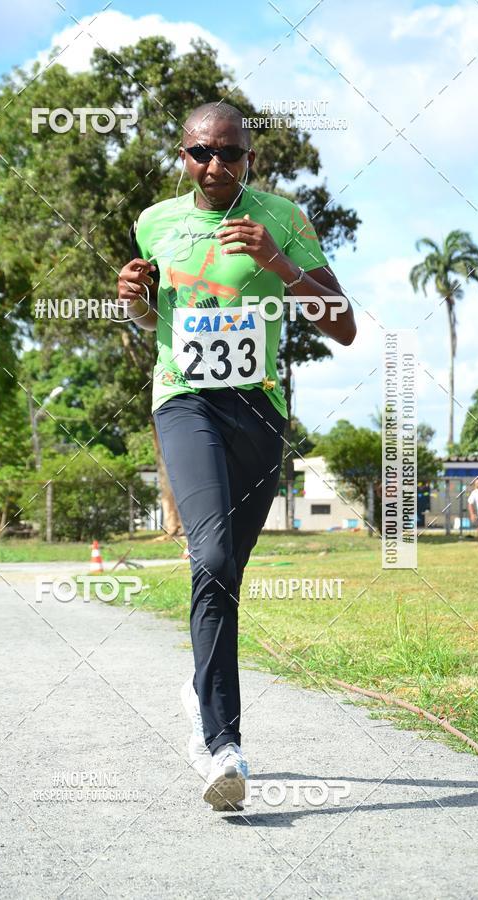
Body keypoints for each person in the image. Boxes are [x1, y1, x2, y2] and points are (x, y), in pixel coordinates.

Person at [117, 101, 356, 810]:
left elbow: (341, 325)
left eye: (229, 154)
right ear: (182, 156)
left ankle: (201, 699)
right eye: (200, 153)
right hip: (183, 400)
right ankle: (222, 745)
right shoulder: (156, 222)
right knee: (211, 559)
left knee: (229, 575)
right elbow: (149, 317)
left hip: (258, 413)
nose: (214, 166)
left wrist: (279, 264)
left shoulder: (284, 219)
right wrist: (132, 299)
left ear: (251, 157)